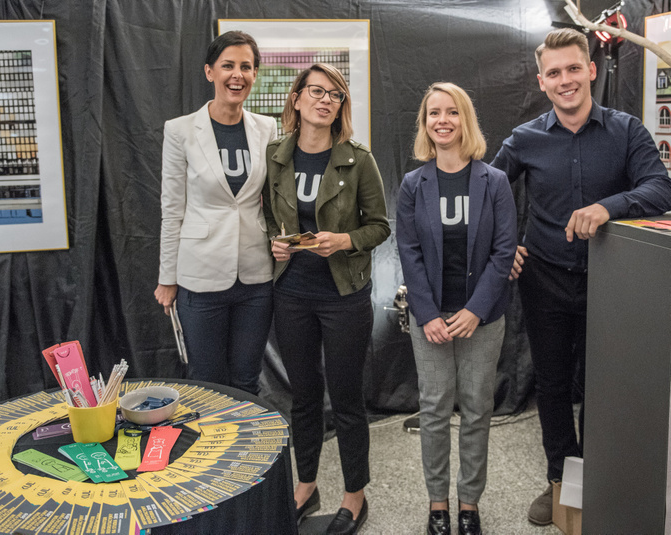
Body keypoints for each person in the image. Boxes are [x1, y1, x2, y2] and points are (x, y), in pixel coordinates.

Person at [491, 28, 671, 525]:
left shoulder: (627, 131)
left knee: (602, 387)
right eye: (554, 73)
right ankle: (560, 482)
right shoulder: (524, 138)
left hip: (611, 282)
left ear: (591, 70)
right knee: (550, 386)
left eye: (574, 68)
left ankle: (597, 480)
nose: (565, 79)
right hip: (544, 279)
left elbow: (661, 188)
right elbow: (488, 193)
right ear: (542, 82)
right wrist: (502, 248)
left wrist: (608, 206)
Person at [263, 63, 390, 534]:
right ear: (296, 99)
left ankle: (355, 494)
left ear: (340, 107)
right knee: (303, 397)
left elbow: (380, 226)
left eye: (334, 95)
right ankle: (307, 485)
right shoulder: (276, 154)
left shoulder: (358, 159)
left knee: (347, 398)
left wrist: (344, 240)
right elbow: (268, 218)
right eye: (316, 91)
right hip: (291, 293)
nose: (324, 100)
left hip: (343, 295)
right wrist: (274, 244)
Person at [397, 83, 517, 535]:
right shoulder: (414, 184)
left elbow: (504, 252)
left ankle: (469, 504)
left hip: (480, 319)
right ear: (425, 123)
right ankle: (438, 506)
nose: (442, 120)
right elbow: (408, 252)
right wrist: (428, 314)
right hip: (430, 318)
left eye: (451, 112)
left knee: (477, 409)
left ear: (465, 119)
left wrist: (475, 310)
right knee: (433, 410)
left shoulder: (495, 181)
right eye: (434, 113)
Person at [154, 31, 277, 396]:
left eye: (246, 67)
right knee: (207, 382)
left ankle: (246, 437)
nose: (237, 75)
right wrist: (167, 277)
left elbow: (274, 199)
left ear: (255, 74)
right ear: (210, 72)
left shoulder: (267, 128)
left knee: (246, 380)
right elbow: (172, 209)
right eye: (228, 66)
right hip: (200, 277)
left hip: (256, 278)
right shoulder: (180, 130)